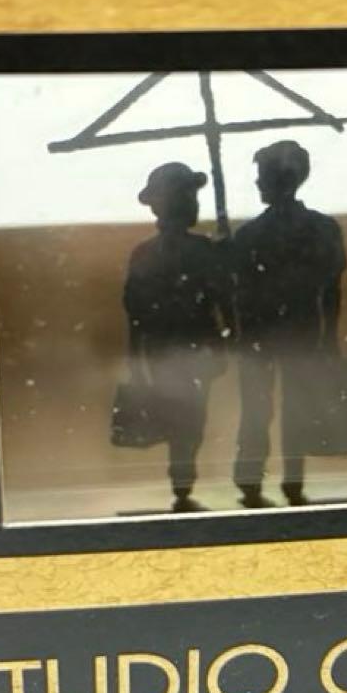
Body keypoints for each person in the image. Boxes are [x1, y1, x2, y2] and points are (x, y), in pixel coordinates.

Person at [231, 140, 347, 508]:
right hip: (297, 333)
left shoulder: (249, 235)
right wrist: (329, 338)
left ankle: (253, 480)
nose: (257, 182)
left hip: (268, 336)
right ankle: (283, 480)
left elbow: (240, 293)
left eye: (262, 175)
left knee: (261, 409)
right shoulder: (323, 229)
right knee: (287, 408)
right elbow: (331, 291)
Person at [123, 161, 230, 512]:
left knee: (182, 413)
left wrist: (136, 355)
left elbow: (135, 314)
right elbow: (222, 297)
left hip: (167, 349)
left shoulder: (145, 253)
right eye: (188, 197)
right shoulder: (203, 250)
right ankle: (182, 474)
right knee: (190, 415)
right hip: (192, 348)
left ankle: (181, 475)